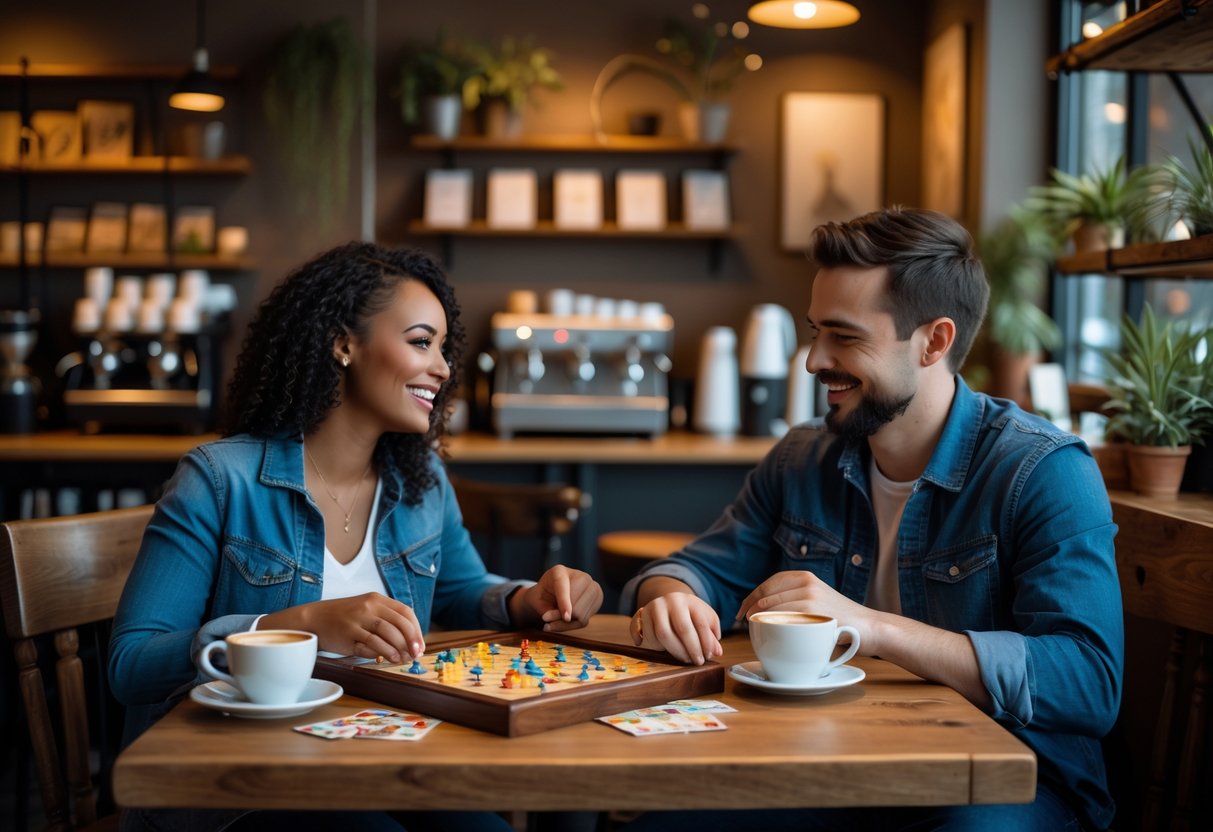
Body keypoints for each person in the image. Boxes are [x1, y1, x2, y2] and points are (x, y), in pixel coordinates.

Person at [621, 207, 1122, 832]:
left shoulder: (1043, 471)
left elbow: (1087, 682)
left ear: (934, 341)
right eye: (814, 332)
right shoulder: (802, 457)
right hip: (830, 765)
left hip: (1005, 780)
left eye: (845, 337)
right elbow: (696, 569)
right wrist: (672, 595)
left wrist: (873, 628)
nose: (812, 361)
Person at [109, 242, 603, 831]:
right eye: (422, 342)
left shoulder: (420, 483)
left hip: (380, 754)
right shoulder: (220, 480)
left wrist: (530, 598)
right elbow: (131, 665)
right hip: (238, 786)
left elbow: (463, 589)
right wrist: (298, 627)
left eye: (444, 348)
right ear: (343, 344)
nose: (443, 368)